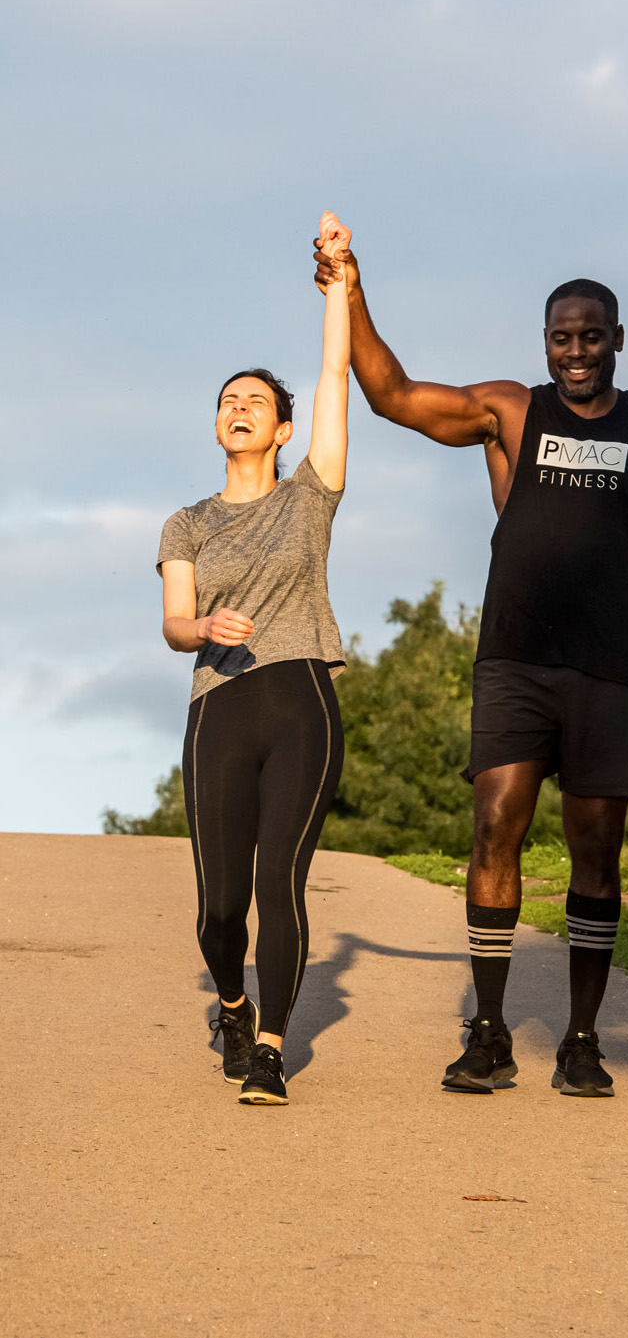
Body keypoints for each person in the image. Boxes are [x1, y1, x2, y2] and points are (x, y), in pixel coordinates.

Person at [313, 238, 628, 1098]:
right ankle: (489, 1030)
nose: (575, 351)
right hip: (516, 660)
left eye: (590, 337)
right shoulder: (507, 411)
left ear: (617, 338)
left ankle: (579, 1038)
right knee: (495, 823)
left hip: (607, 670)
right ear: (544, 342)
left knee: (595, 852)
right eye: (560, 338)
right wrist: (350, 292)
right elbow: (390, 395)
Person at [157, 211, 351, 1105]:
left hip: (300, 697)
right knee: (218, 909)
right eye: (227, 401)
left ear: (281, 430)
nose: (238, 411)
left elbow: (333, 374)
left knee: (282, 879)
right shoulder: (187, 522)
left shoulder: (310, 496)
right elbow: (173, 623)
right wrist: (206, 630)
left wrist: (338, 282)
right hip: (219, 708)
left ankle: (270, 1045)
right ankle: (232, 1002)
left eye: (255, 404)